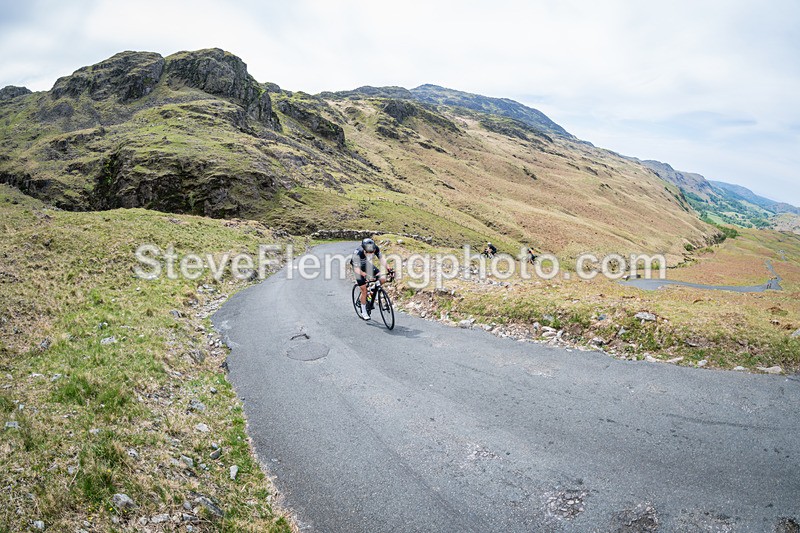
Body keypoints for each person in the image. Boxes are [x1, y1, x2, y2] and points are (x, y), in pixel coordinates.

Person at [352, 238, 391, 320]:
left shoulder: (375, 248)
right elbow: (356, 269)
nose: (371, 254)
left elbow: (381, 259)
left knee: (382, 278)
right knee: (364, 290)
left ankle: (373, 289)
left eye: (372, 253)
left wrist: (388, 268)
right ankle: (363, 311)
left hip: (365, 263)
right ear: (364, 250)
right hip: (358, 268)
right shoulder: (357, 253)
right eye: (368, 253)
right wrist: (364, 274)